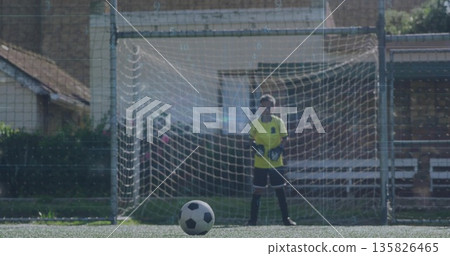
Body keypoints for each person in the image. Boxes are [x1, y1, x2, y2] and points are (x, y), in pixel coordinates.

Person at [246, 94, 296, 226]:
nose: (266, 109)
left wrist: (279, 149)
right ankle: (252, 221)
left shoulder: (278, 122)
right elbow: (250, 140)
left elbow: (285, 137)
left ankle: (286, 219)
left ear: (273, 108)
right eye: (263, 107)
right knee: (258, 190)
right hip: (260, 164)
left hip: (276, 163)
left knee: (280, 190)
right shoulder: (256, 123)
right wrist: (256, 147)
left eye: (269, 107)